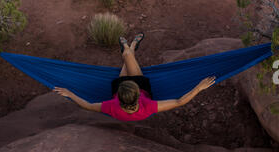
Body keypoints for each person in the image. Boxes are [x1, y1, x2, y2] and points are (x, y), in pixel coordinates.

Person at [54, 33, 215, 121]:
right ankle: (129, 48)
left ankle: (129, 49)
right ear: (139, 94)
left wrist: (70, 94)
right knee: (127, 56)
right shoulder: (148, 106)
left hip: (122, 85)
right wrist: (199, 87)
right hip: (138, 83)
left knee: (126, 57)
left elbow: (87, 105)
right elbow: (179, 101)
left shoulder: (111, 106)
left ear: (118, 97)